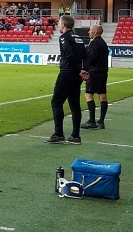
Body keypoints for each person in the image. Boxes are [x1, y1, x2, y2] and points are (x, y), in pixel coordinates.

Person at [45, 15, 86, 144]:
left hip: (68, 73)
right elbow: (86, 55)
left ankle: (58, 134)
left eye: (59, 23)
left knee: (56, 102)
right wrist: (84, 70)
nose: (58, 25)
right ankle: (75, 135)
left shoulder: (64, 37)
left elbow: (68, 55)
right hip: (76, 76)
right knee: (74, 104)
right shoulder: (78, 37)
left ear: (64, 24)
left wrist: (78, 70)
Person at [80, 24, 109, 130]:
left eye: (90, 30)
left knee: (88, 95)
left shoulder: (94, 44)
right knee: (102, 95)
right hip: (103, 72)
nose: (89, 32)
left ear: (96, 32)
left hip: (95, 72)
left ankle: (91, 121)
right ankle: (101, 121)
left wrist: (85, 70)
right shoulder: (103, 43)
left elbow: (91, 59)